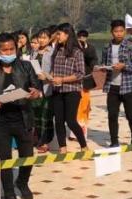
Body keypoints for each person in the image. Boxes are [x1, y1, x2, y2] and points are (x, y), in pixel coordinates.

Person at [0, 32, 41, 199]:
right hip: (0, 122)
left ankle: (23, 183)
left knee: (27, 156)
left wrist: (35, 93)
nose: (8, 52)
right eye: (4, 49)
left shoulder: (26, 67)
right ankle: (9, 195)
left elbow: (37, 88)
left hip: (23, 118)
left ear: (16, 49)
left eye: (11, 49)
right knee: (5, 159)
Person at [44, 23, 88, 154]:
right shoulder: (57, 50)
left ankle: (84, 146)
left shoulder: (77, 52)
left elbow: (80, 73)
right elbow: (53, 69)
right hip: (57, 90)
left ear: (67, 34)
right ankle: (62, 148)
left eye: (59, 34)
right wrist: (49, 76)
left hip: (72, 91)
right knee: (58, 121)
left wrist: (62, 79)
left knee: (71, 121)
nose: (57, 36)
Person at [97, 19, 132, 147]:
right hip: (112, 87)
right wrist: (103, 68)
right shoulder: (107, 47)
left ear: (125, 32)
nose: (119, 34)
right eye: (116, 31)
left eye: (121, 31)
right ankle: (114, 141)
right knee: (112, 115)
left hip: (128, 86)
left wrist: (124, 66)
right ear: (111, 32)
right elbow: (104, 63)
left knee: (131, 115)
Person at [31, 28, 54, 154]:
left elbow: (55, 70)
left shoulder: (52, 52)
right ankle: (38, 138)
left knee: (46, 116)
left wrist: (47, 77)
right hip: (36, 87)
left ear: (49, 39)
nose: (41, 40)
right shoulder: (34, 52)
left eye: (44, 37)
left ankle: (45, 141)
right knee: (37, 115)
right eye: (40, 37)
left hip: (47, 88)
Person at [76, 29, 98, 139]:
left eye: (84, 36)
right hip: (74, 80)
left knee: (84, 104)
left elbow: (93, 60)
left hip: (86, 80)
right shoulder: (73, 47)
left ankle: (83, 131)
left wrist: (84, 47)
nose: (82, 38)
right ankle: (74, 132)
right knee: (75, 106)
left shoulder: (90, 48)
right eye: (80, 36)